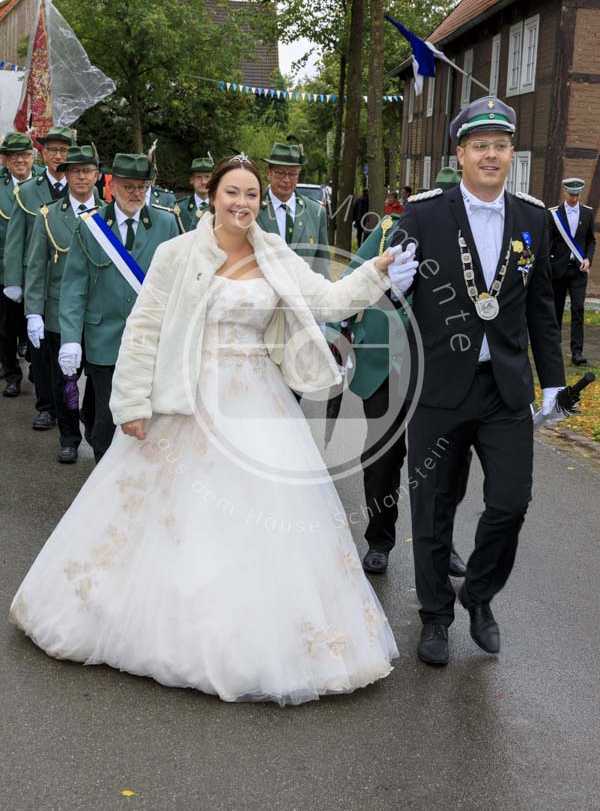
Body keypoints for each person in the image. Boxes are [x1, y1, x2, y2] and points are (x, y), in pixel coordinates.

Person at [10, 155, 404, 706]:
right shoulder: (177, 253)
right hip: (186, 396)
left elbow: (327, 299)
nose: (242, 203)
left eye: (251, 195)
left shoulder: (274, 253)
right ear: (213, 196)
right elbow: (144, 329)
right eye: (232, 193)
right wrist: (132, 402)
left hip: (259, 401)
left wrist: (377, 270)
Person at [390, 96, 565, 666]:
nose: (492, 155)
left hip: (504, 389)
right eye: (480, 145)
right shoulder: (423, 214)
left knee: (511, 502)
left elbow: (541, 307)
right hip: (439, 388)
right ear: (460, 155)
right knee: (432, 507)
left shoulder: (533, 218)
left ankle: (479, 594)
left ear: (512, 153)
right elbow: (394, 292)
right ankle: (435, 617)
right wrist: (392, 285)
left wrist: (554, 383)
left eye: (501, 146)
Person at [331, 212, 468, 578]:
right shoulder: (392, 228)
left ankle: (442, 542)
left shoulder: (465, 234)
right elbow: (351, 280)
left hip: (439, 363)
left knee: (445, 457)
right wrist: (339, 334)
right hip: (384, 362)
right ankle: (379, 541)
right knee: (382, 455)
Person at [58, 152, 179, 463]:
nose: (136, 193)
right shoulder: (91, 225)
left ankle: (137, 476)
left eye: (142, 187)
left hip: (150, 341)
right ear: (112, 186)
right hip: (104, 339)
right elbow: (74, 287)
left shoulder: (166, 223)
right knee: (106, 420)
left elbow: (179, 283)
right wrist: (70, 339)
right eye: (128, 186)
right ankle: (104, 474)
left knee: (144, 417)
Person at [25, 145, 101, 464]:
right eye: (75, 171)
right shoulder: (49, 215)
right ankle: (69, 437)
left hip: (98, 314)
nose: (81, 177)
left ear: (97, 176)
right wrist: (33, 312)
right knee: (65, 379)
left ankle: (93, 425)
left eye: (87, 171)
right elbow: (36, 266)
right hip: (60, 311)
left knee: (98, 379)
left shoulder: (108, 215)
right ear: (66, 175)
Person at [3, 125, 75, 428]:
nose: (58, 156)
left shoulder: (83, 188)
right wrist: (13, 280)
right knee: (39, 348)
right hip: (36, 281)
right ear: (42, 155)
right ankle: (45, 406)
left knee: (66, 347)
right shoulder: (27, 191)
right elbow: (15, 239)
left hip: (68, 280)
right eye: (53, 150)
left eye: (64, 150)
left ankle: (68, 407)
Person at [256, 142, 330, 278]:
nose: (286, 180)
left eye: (292, 174)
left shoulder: (316, 212)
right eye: (280, 173)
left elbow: (321, 268)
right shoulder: (253, 210)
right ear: (268, 173)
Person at [0, 132, 35, 398]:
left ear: (32, 157)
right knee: (5, 327)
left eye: (24, 155)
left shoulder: (43, 183)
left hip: (36, 267)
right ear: (4, 160)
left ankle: (38, 368)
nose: (20, 160)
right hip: (4, 267)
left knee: (36, 323)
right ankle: (12, 374)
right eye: (13, 156)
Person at [548, 177, 596, 366]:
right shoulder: (554, 214)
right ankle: (553, 349)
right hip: (558, 269)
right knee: (556, 310)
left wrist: (588, 259)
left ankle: (577, 352)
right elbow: (548, 241)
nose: (574, 199)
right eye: (571, 195)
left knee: (578, 308)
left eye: (577, 195)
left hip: (578, 270)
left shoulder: (587, 213)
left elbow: (591, 240)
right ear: (565, 192)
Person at [175, 155, 214, 233]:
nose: (203, 182)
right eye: (199, 177)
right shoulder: (179, 208)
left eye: (207, 177)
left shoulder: (220, 206)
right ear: (191, 180)